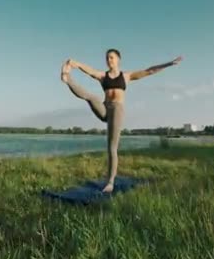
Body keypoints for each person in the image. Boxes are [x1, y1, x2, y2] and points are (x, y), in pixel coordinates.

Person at [60, 48, 183, 193]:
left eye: (111, 57)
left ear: (118, 59)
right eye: (107, 58)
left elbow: (149, 71)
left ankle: (110, 182)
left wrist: (168, 64)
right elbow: (90, 70)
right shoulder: (102, 76)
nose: (109, 60)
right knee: (92, 97)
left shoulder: (126, 76)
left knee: (111, 147)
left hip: (117, 111)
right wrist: (75, 63)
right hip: (105, 109)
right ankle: (67, 79)